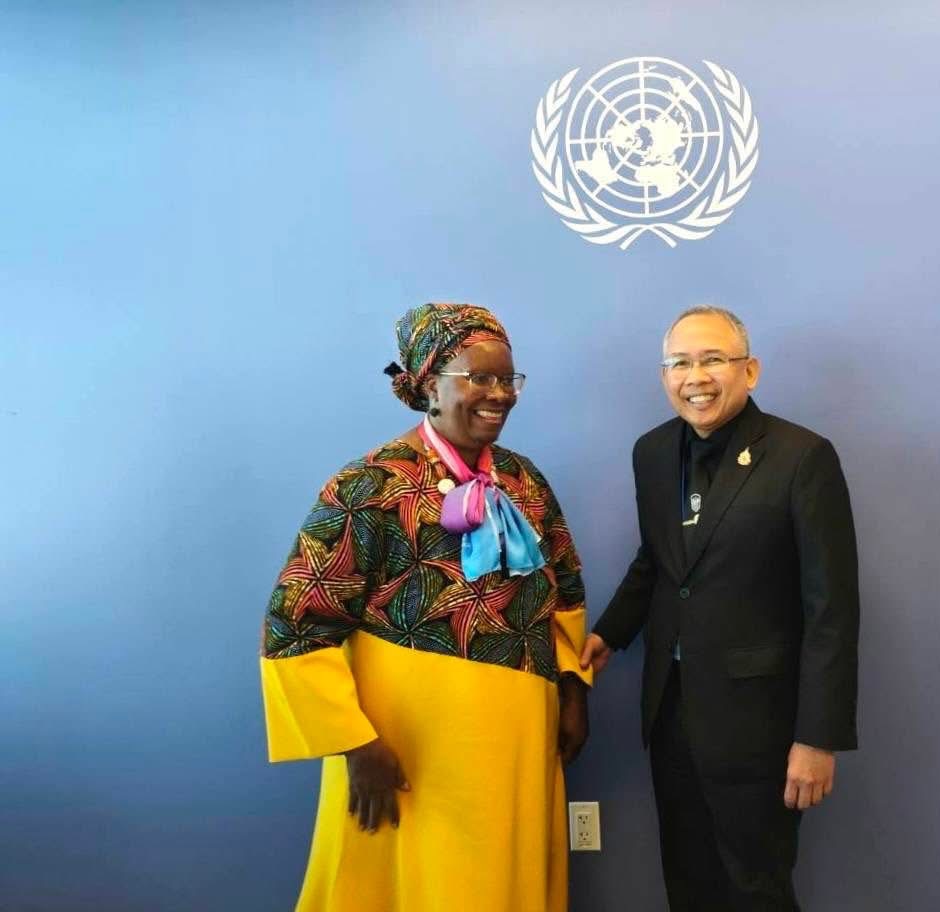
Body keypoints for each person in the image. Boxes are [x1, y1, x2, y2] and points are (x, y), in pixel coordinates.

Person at [260, 302, 592, 912]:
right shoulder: (368, 486)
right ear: (430, 385)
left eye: (508, 379)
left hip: (516, 742)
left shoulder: (525, 482)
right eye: (478, 377)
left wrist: (573, 689)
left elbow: (564, 590)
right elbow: (296, 622)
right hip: (407, 753)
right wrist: (355, 746)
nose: (499, 394)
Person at [580, 305, 859, 911]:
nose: (696, 377)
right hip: (671, 709)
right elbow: (658, 561)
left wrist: (818, 737)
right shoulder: (652, 452)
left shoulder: (802, 456)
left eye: (713, 360)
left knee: (756, 889)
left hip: (761, 723)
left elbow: (832, 609)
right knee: (688, 883)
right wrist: (610, 634)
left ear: (749, 371)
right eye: (680, 363)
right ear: (664, 376)